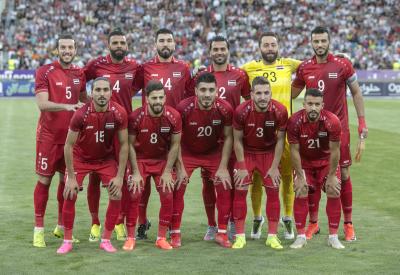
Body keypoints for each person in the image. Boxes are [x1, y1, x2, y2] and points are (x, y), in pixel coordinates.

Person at [292, 26, 368, 242]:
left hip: (338, 129)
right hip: (313, 130)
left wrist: (362, 121)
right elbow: (292, 92)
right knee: (312, 175)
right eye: (316, 41)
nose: (320, 44)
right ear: (311, 43)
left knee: (342, 175)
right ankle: (314, 223)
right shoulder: (305, 68)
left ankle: (348, 224)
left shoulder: (343, 64)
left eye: (323, 40)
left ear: (329, 41)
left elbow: (356, 92)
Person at [57, 77, 128, 254]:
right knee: (70, 193)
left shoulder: (119, 113)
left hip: (105, 160)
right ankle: (67, 241)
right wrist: (71, 177)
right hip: (81, 159)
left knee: (117, 193)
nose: (102, 94)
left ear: (111, 93)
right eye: (98, 90)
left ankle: (105, 239)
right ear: (91, 93)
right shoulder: (80, 114)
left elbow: (125, 145)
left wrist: (119, 177)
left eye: (105, 90)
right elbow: (68, 145)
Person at [134, 28, 193, 240]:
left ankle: (170, 226)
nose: (165, 44)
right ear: (155, 44)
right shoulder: (145, 67)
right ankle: (142, 222)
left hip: (174, 133)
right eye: (162, 41)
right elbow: (129, 90)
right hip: (147, 131)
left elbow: (190, 97)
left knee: (172, 183)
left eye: (169, 40)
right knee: (142, 185)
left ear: (175, 44)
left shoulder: (184, 68)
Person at [83, 28, 141, 242]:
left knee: (123, 178)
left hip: (121, 129)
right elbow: (81, 81)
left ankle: (118, 221)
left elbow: (135, 88)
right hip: (97, 126)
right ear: (109, 45)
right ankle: (95, 223)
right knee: (94, 177)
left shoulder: (134, 66)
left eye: (121, 43)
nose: (118, 46)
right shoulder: (97, 65)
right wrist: (85, 103)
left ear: (126, 45)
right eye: (114, 43)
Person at [241, 32, 301, 240]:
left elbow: (313, 65)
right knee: (256, 178)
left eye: (273, 44)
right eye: (265, 45)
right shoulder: (249, 68)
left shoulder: (288, 64)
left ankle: (287, 218)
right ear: (259, 48)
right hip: (258, 132)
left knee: (286, 177)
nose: (269, 48)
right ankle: (257, 219)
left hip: (284, 131)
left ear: (278, 46)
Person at [33, 33, 87, 248]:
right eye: (63, 47)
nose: (67, 51)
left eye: (70, 48)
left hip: (71, 141)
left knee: (68, 184)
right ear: (57, 50)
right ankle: (38, 230)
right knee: (44, 181)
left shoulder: (79, 73)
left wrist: (107, 105)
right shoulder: (45, 71)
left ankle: (62, 228)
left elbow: (84, 100)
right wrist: (66, 106)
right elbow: (42, 104)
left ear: (75, 50)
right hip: (49, 138)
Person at [197, 35, 251, 241]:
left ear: (228, 51)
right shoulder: (201, 76)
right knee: (209, 184)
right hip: (209, 140)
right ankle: (212, 225)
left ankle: (229, 222)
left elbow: (248, 101)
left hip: (234, 138)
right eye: (215, 49)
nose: (219, 52)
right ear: (210, 52)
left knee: (233, 181)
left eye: (222, 49)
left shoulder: (239, 75)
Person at [172, 72, 233, 248]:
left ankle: (222, 232)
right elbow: (175, 139)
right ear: (196, 91)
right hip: (188, 152)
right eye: (203, 90)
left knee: (224, 184)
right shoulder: (183, 107)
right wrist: (180, 166)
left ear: (217, 91)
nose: (207, 94)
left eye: (211, 90)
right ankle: (175, 233)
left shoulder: (225, 108)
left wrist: (222, 167)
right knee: (179, 185)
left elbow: (229, 138)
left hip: (213, 153)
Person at [125, 80, 181, 250]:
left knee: (167, 194)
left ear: (165, 98)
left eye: (161, 97)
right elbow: (129, 146)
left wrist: (167, 171)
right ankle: (130, 237)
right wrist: (134, 171)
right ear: (146, 99)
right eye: (154, 98)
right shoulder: (135, 117)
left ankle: (161, 237)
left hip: (162, 161)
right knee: (134, 194)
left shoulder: (174, 116)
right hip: (140, 160)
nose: (158, 101)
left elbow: (175, 145)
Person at [232, 76, 287, 249]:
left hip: (269, 154)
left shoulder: (280, 110)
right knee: (240, 191)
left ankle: (272, 236)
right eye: (259, 93)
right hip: (247, 153)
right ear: (251, 94)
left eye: (266, 93)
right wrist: (240, 165)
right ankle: (240, 236)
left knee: (273, 191)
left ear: (271, 93)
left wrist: (274, 166)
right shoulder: (241, 111)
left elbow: (280, 140)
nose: (263, 97)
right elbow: (237, 140)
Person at [288, 88, 344, 249]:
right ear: (303, 104)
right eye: (310, 104)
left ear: (322, 105)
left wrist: (332, 175)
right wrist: (299, 176)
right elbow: (294, 151)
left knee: (334, 190)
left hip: (326, 163)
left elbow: (335, 151)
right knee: (300, 190)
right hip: (305, 163)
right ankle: (300, 236)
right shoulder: (294, 121)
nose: (313, 108)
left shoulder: (332, 121)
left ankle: (333, 236)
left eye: (317, 104)